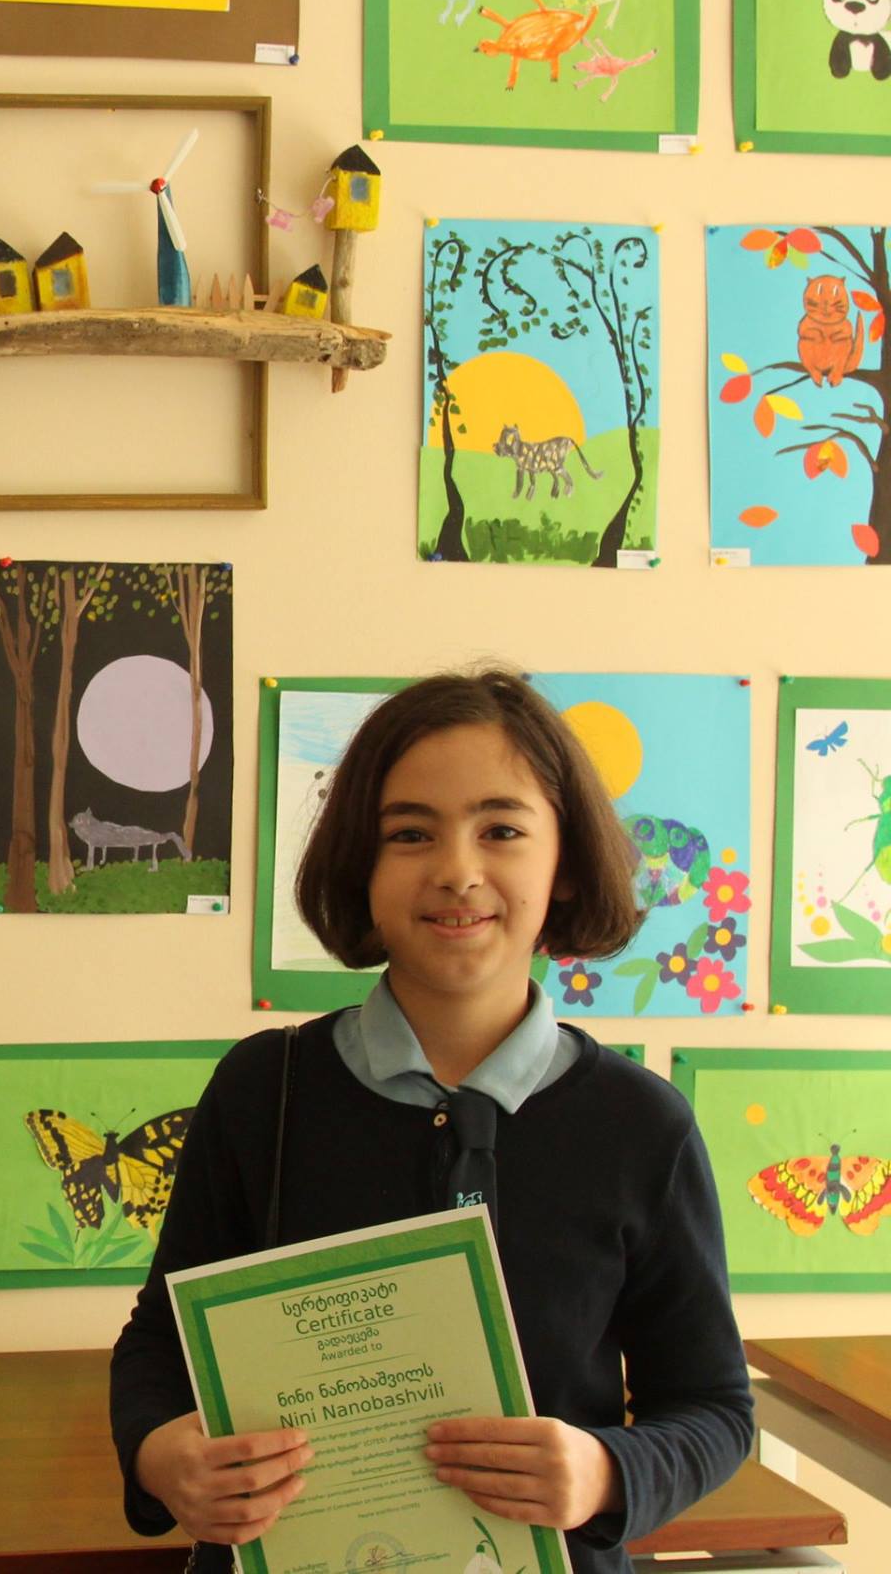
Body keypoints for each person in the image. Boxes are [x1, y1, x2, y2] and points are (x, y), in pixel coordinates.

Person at [110, 670, 753, 1573]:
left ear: (566, 864)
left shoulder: (642, 1125)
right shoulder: (265, 1090)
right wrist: (160, 1456)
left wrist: (606, 1472)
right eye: (410, 833)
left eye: (502, 830)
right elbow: (159, 1341)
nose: (456, 871)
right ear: (361, 867)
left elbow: (715, 1408)